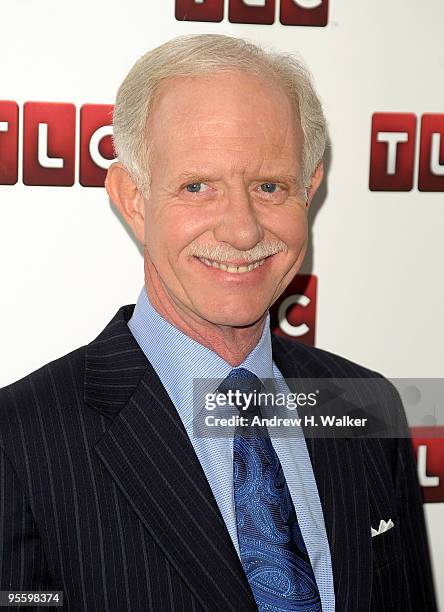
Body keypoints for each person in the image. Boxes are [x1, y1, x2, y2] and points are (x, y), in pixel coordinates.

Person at [0, 34, 437, 612]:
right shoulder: (20, 441)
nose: (243, 230)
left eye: (269, 186)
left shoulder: (365, 405)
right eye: (198, 187)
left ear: (309, 191)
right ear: (133, 198)